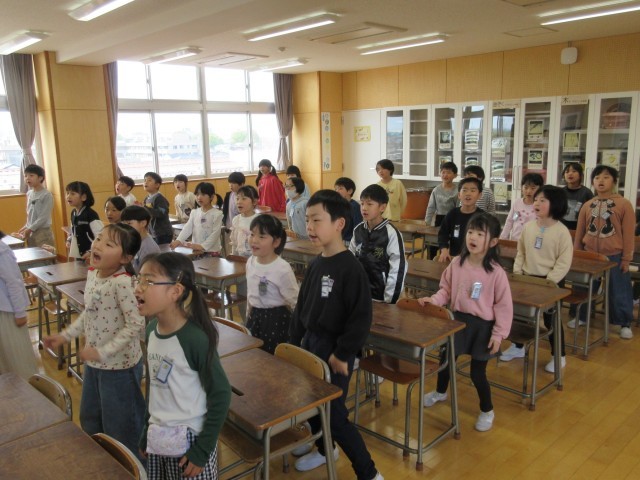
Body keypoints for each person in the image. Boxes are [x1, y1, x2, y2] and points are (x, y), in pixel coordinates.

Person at [290, 190, 383, 480]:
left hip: (334, 353)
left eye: (317, 220)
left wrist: (343, 354)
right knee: (310, 403)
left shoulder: (351, 268)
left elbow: (360, 318)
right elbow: (301, 310)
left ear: (339, 223)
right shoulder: (316, 263)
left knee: (334, 414)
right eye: (308, 220)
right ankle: (324, 448)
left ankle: (368, 472)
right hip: (311, 345)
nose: (310, 227)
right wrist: (291, 346)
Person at [43, 224, 145, 458]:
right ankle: (101, 463)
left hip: (120, 368)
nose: (98, 245)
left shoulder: (123, 283)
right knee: (90, 418)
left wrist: (103, 351)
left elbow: (136, 325)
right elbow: (88, 313)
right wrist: (64, 336)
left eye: (109, 244)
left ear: (126, 258)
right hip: (95, 364)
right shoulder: (93, 274)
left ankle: (133, 469)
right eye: (98, 239)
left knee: (121, 428)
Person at [136, 252, 231, 479]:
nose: (138, 288)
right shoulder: (151, 331)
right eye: (138, 280)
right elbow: (154, 388)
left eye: (148, 281)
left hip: (190, 443)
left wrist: (202, 450)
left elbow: (221, 393)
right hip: (158, 436)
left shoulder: (194, 339)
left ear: (175, 291)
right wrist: (146, 430)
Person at [420, 213, 512, 432]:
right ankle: (440, 392)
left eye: (480, 234)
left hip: (483, 327)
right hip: (457, 321)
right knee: (446, 361)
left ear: (493, 242)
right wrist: (434, 301)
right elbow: (446, 290)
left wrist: (498, 335)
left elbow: (504, 306)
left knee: (477, 373)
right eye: (470, 232)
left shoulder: (496, 273)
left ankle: (487, 410)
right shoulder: (457, 263)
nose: (473, 237)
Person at [502, 186, 573, 370]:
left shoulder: (562, 231)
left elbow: (564, 262)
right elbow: (521, 252)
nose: (537, 203)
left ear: (555, 204)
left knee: (551, 320)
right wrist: (518, 272)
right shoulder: (529, 227)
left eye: (543, 200)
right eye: (536, 200)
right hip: (527, 278)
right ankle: (518, 347)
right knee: (520, 316)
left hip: (551, 282)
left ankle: (559, 356)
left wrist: (549, 281)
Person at [573, 166, 636, 339]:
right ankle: (581, 317)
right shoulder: (588, 205)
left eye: (606, 177)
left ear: (614, 181)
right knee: (584, 288)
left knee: (619, 290)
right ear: (592, 182)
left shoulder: (624, 204)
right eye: (597, 177)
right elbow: (580, 232)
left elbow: (628, 234)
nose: (601, 180)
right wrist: (577, 254)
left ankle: (624, 323)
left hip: (615, 255)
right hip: (590, 254)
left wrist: (626, 258)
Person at [246, 215, 299, 354]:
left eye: (262, 236)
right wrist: (248, 313)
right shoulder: (250, 262)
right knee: (255, 355)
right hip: (254, 317)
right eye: (252, 234)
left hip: (276, 320)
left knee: (272, 358)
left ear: (276, 242)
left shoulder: (282, 268)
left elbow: (295, 300)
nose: (254, 240)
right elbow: (250, 292)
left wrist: (298, 331)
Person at [349, 184, 406, 304]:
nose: (364, 208)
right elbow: (350, 260)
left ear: (382, 207)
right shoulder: (358, 230)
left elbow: (398, 268)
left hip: (381, 297)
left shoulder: (391, 233)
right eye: (362, 203)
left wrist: (390, 300)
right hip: (359, 293)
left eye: (369, 204)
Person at [0, 230, 38, 379]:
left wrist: (20, 313)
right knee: (5, 363)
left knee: (17, 362)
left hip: (7, 312)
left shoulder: (2, 251)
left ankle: (27, 390)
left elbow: (14, 283)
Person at [438, 177, 484, 262]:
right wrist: (444, 250)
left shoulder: (483, 217)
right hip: (454, 258)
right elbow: (443, 234)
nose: (468, 194)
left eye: (473, 190)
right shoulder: (452, 214)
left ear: (479, 195)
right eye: (465, 190)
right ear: (459, 195)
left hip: (476, 260)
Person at [170, 182, 223, 256]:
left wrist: (202, 246)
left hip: (212, 252)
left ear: (211, 197)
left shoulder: (217, 214)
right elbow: (187, 228)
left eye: (203, 194)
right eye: (197, 194)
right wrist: (178, 240)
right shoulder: (194, 212)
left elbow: (215, 234)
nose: (199, 197)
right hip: (197, 251)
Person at [13, 164, 55, 248]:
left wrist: (30, 229)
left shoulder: (47, 195)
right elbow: (31, 215)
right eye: (25, 176)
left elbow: (43, 217)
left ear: (40, 178)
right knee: (32, 254)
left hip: (43, 232)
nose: (27, 178)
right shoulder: (29, 193)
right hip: (31, 232)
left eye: (31, 175)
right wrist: (25, 227)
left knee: (45, 255)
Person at [65, 181, 104, 262]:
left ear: (83, 197)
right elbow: (73, 231)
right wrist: (69, 240)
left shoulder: (91, 214)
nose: (68, 196)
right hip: (79, 254)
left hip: (91, 255)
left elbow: (101, 236)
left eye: (72, 194)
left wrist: (91, 251)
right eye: (67, 193)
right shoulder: (73, 213)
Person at [499, 172, 543, 241]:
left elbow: (543, 227)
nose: (528, 191)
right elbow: (510, 221)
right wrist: (502, 238)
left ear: (540, 189)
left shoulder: (540, 206)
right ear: (522, 188)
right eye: (526, 187)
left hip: (532, 243)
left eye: (533, 188)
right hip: (515, 240)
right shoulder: (517, 203)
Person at [121, 205, 160, 274]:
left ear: (143, 223)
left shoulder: (148, 247)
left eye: (129, 223)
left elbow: (147, 274)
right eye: (123, 224)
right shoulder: (133, 240)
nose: (124, 227)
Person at [560, 162, 594, 231]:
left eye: (574, 171)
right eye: (567, 172)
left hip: (580, 229)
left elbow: (592, 212)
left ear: (580, 175)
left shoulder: (586, 192)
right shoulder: (560, 192)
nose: (570, 174)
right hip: (562, 228)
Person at [143, 172, 173, 246]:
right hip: (153, 232)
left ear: (157, 185)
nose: (146, 182)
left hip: (163, 233)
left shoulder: (159, 198)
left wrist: (145, 208)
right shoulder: (146, 199)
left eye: (149, 180)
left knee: (162, 251)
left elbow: (162, 213)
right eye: (145, 180)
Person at [425, 161, 458, 227]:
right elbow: (431, 207)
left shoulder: (457, 191)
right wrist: (427, 223)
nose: (445, 175)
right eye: (443, 172)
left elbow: (459, 209)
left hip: (453, 218)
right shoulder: (436, 190)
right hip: (439, 219)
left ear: (455, 175)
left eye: (448, 172)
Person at [334, 176, 363, 245]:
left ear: (350, 191)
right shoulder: (337, 205)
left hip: (349, 242)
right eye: (336, 189)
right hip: (338, 240)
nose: (337, 191)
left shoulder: (355, 207)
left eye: (340, 188)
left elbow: (357, 227)